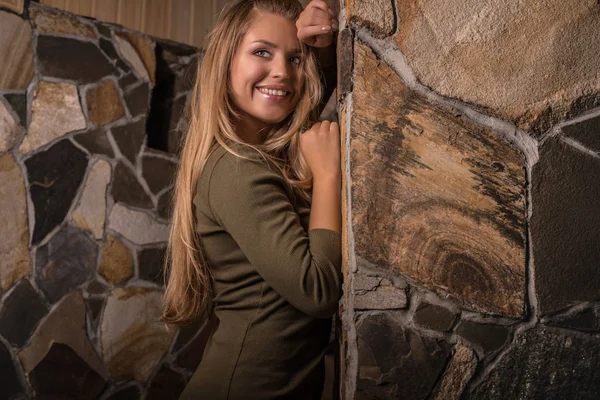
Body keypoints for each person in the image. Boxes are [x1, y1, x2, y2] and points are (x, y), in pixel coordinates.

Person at [161, 0, 341, 398]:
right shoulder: (238, 168)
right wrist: (328, 175)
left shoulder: (263, 156)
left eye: (295, 58)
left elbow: (317, 90)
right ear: (226, 64)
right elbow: (318, 292)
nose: (282, 71)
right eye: (262, 52)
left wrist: (325, 48)